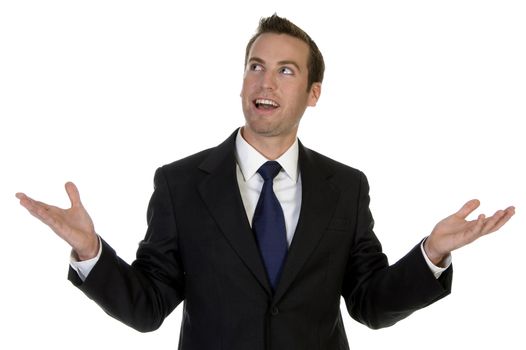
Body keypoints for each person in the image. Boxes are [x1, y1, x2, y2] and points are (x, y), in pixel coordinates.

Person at [15, 14, 515, 350]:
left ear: (313, 93)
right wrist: (90, 252)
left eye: (285, 71)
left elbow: (369, 304)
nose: (265, 82)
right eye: (256, 66)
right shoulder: (181, 184)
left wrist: (430, 254)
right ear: (242, 80)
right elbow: (149, 308)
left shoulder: (346, 187)